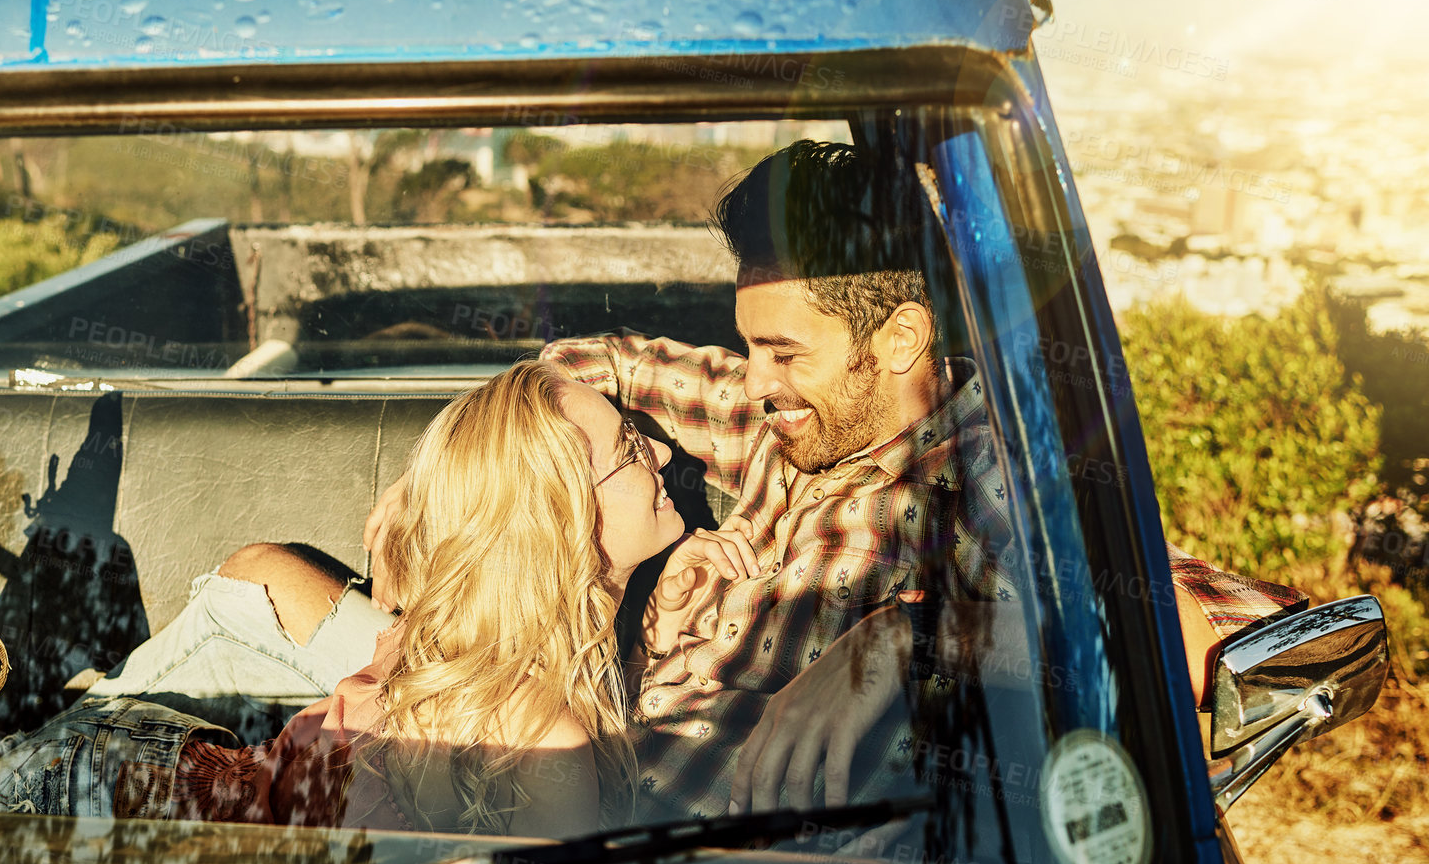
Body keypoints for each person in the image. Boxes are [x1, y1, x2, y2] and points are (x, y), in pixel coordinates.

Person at [365, 139, 1307, 824]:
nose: (754, 380)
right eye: (746, 345)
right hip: (545, 793)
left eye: (782, 352)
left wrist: (907, 639)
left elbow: (1204, 634)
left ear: (900, 339)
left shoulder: (990, 482)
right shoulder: (783, 419)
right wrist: (447, 478)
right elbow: (597, 363)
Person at [0, 355, 682, 838]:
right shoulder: (534, 724)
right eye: (635, 451)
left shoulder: (455, 651)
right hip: (114, 799)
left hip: (116, 776)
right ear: (557, 524)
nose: (669, 453)